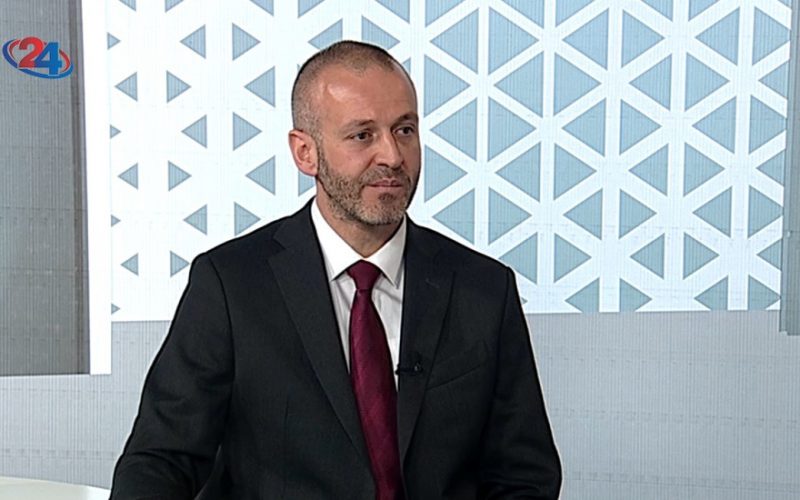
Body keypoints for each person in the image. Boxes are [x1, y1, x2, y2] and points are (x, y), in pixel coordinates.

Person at [110, 40, 561, 499]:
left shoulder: (484, 290)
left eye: (404, 130)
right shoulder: (231, 285)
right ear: (305, 152)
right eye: (363, 135)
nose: (392, 156)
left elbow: (524, 476)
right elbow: (161, 461)